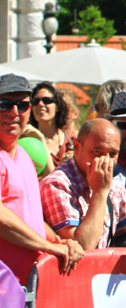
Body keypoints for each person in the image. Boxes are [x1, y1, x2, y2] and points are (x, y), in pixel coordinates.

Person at [0, 74, 84, 283]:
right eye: (4, 104)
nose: (14, 112)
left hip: (27, 286)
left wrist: (60, 241)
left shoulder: (25, 157)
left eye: (22, 105)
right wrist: (47, 246)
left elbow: (31, 219)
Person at [39, 119, 126, 250]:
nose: (105, 161)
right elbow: (82, 247)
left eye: (112, 154)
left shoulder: (112, 184)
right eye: (97, 152)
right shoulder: (57, 184)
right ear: (77, 147)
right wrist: (100, 193)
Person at [28, 81, 75, 171]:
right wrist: (61, 168)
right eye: (35, 101)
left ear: (57, 106)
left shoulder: (69, 139)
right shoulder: (29, 140)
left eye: (47, 100)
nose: (41, 104)